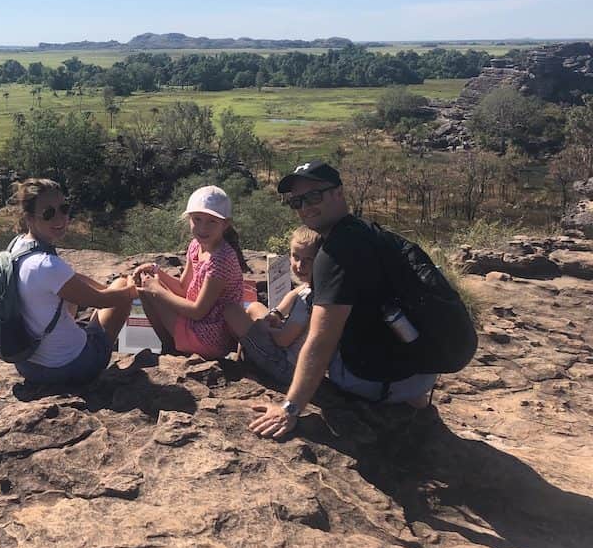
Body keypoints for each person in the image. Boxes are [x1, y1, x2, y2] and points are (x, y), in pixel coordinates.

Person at [250, 161, 437, 440]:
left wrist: (289, 409)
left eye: (314, 196)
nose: (305, 207)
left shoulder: (334, 256)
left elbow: (321, 341)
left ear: (338, 193)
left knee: (312, 336)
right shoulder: (369, 232)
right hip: (421, 376)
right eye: (296, 201)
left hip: (376, 384)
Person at [13, 178, 137, 385]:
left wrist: (106, 289)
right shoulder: (47, 265)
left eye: (64, 208)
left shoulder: (18, 247)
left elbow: (69, 279)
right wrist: (133, 290)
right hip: (73, 367)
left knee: (105, 290)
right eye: (48, 213)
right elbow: (101, 301)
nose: (59, 218)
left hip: (28, 365)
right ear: (29, 218)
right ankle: (140, 345)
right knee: (123, 287)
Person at [133, 185, 251, 359]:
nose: (203, 228)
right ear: (189, 219)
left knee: (149, 292)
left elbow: (198, 311)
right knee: (145, 288)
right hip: (197, 323)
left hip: (211, 337)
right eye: (197, 219)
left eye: (212, 221)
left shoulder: (221, 259)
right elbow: (183, 288)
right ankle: (172, 347)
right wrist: (156, 271)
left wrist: (157, 290)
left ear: (225, 224)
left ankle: (172, 348)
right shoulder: (196, 246)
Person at [224, 226, 322, 385]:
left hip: (288, 368)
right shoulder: (313, 286)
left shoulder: (309, 302)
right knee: (255, 307)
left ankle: (247, 368)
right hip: (290, 354)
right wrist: (276, 314)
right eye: (295, 257)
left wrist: (263, 327)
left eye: (308, 260)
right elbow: (294, 293)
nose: (299, 265)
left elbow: (283, 340)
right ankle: (245, 358)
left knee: (232, 312)